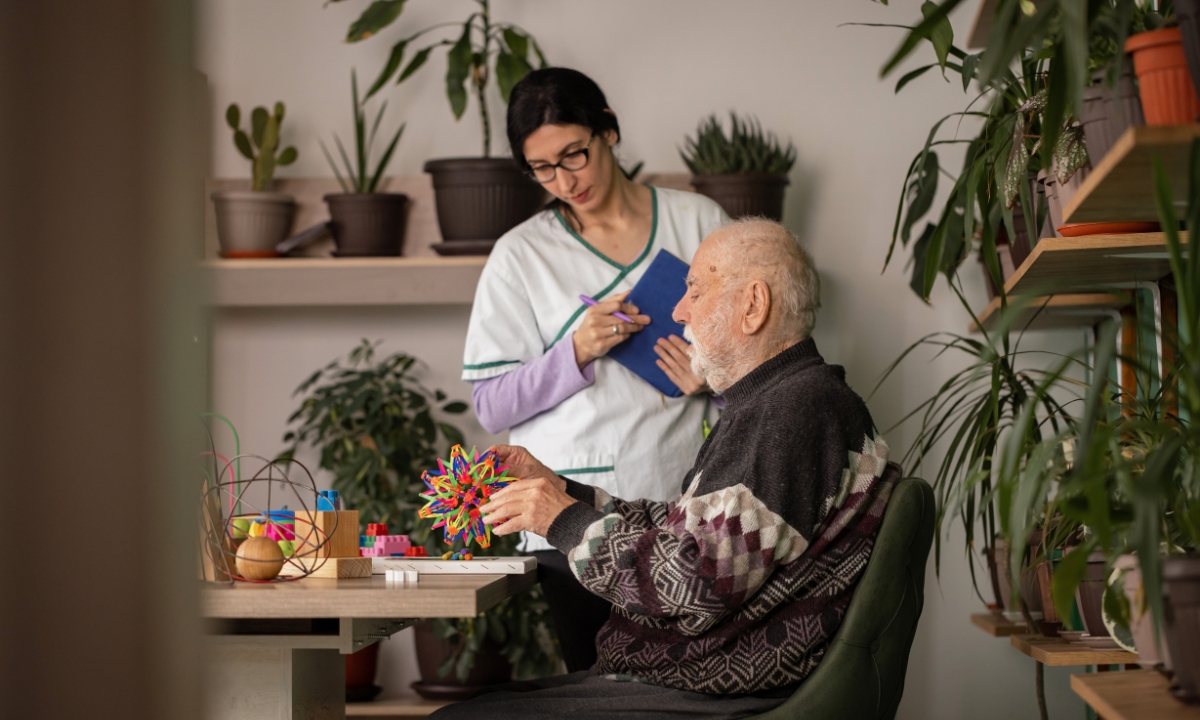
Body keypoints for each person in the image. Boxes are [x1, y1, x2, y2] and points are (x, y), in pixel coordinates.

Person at [432, 219, 897, 720]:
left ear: (753, 305)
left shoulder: (793, 413)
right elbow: (687, 535)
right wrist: (559, 490)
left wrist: (559, 520)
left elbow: (692, 584)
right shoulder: (780, 402)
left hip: (714, 692)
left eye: (695, 289)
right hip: (688, 677)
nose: (678, 311)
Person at [461, 67, 729, 671]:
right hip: (568, 522)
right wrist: (574, 351)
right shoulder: (520, 255)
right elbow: (491, 405)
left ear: (608, 131)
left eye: (573, 155)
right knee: (599, 686)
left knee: (684, 688)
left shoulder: (700, 223)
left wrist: (710, 380)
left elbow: (764, 368)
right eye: (543, 169)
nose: (564, 180)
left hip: (682, 512)